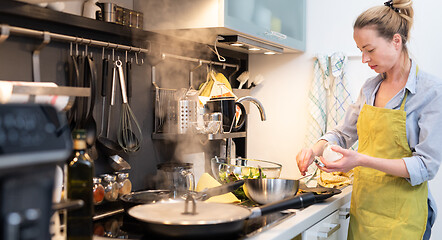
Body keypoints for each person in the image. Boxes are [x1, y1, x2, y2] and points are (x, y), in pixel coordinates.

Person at [296, 0, 441, 239]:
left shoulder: (430, 91)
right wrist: (314, 150)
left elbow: (426, 166)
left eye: (369, 49)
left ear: (396, 41)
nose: (364, 59)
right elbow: (343, 134)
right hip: (365, 212)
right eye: (360, 50)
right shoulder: (370, 87)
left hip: (404, 218)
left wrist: (361, 160)